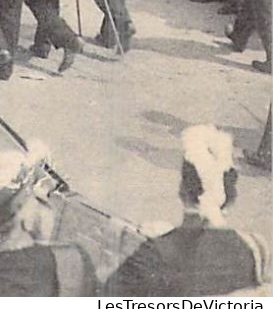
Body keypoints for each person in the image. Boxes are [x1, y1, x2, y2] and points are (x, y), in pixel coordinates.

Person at [104, 125, 270, 295]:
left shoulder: (152, 257)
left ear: (182, 190)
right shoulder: (255, 249)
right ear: (230, 197)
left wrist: (165, 239)